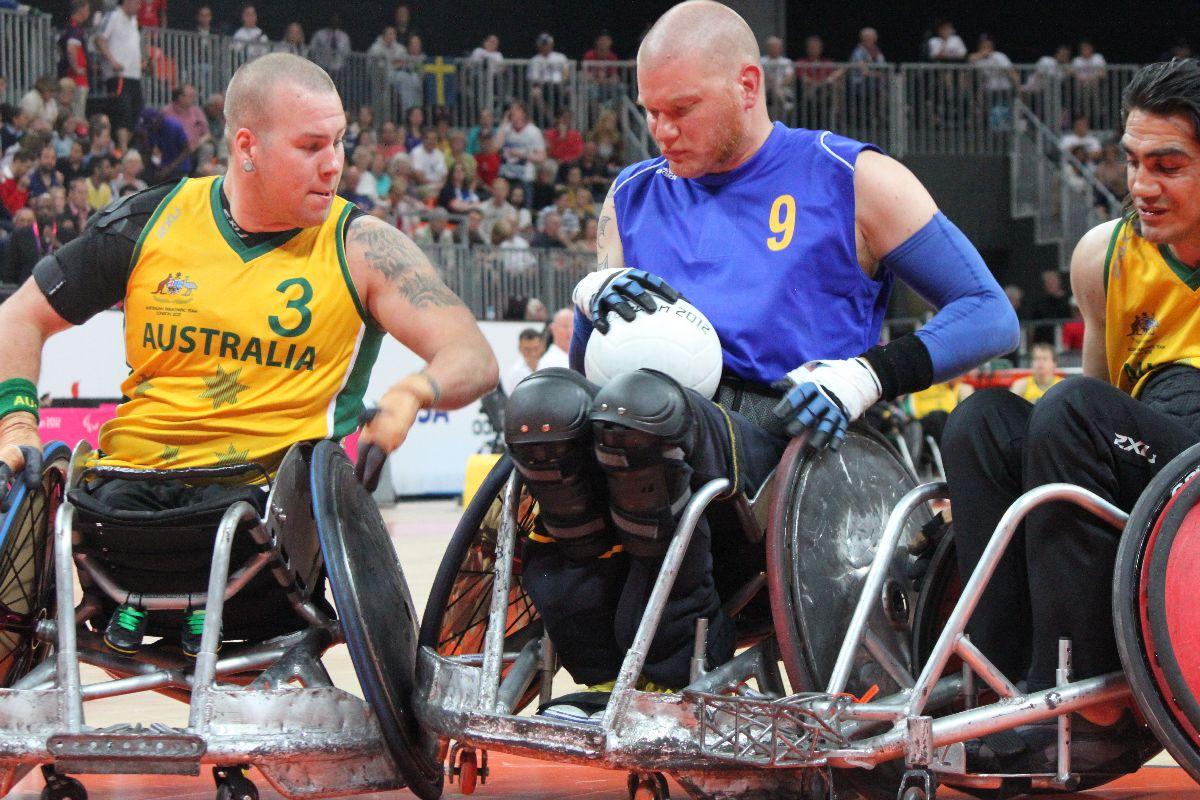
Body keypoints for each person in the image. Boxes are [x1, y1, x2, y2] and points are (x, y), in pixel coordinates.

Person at [503, 0, 1016, 721]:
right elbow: (590, 371)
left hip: (792, 433)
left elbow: (989, 313)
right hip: (655, 420)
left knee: (644, 413)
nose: (661, 130)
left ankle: (672, 676)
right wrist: (591, 298)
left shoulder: (849, 175)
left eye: (681, 108)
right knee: (544, 410)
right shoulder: (632, 195)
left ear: (747, 86)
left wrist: (869, 374)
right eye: (650, 111)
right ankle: (596, 668)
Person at [0, 52, 497, 656]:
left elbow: (471, 353)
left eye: (340, 141)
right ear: (247, 147)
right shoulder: (149, 221)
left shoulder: (361, 245)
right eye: (311, 145)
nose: (334, 164)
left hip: (265, 519)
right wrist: (18, 420)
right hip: (120, 510)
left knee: (240, 513)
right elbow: (19, 315)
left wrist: (415, 390)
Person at [942, 58, 1200, 774]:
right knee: (983, 422)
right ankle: (988, 679)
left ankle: (1089, 703)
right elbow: (1094, 409)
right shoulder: (1105, 256)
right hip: (1152, 465)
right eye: (1133, 161)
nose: (1142, 186)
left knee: (1074, 412)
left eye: (1168, 166)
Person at [95, 0, 145, 135]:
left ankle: (128, 147)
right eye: (137, 3)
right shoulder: (114, 16)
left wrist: (140, 64)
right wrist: (112, 61)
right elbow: (100, 40)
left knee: (137, 113)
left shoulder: (134, 20)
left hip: (134, 74)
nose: (139, 7)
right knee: (123, 112)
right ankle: (122, 148)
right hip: (119, 74)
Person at [57, 0, 91, 121]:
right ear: (81, 10)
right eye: (87, 9)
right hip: (77, 79)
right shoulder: (75, 28)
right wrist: (76, 67)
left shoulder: (67, 27)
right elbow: (71, 48)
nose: (88, 13)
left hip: (70, 76)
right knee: (77, 114)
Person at [501, 327, 547, 395]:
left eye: (536, 348)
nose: (532, 353)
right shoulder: (515, 372)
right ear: (520, 348)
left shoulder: (550, 365)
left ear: (543, 346)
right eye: (527, 350)